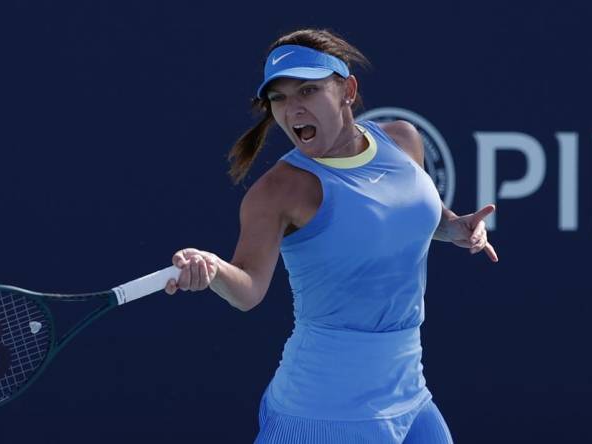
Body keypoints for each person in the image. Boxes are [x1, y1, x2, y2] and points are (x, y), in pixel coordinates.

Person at [164, 28, 498, 444]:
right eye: (279, 98)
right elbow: (248, 290)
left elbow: (406, 216)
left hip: (411, 395)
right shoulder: (278, 191)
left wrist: (454, 227)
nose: (292, 109)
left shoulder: (401, 140)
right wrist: (213, 270)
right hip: (323, 410)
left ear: (347, 90)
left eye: (307, 90)